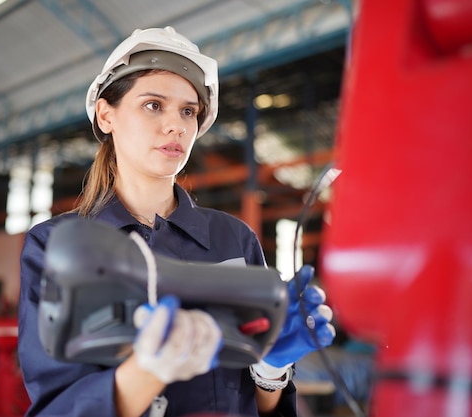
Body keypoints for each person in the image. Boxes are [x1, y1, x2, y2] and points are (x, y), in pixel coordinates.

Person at [18, 26, 336, 417]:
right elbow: (57, 408)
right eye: (154, 105)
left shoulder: (233, 238)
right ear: (106, 114)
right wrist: (149, 370)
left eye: (188, 110)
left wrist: (270, 369)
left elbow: (259, 407)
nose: (178, 125)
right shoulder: (56, 245)